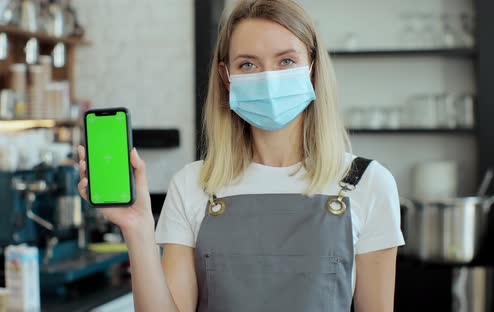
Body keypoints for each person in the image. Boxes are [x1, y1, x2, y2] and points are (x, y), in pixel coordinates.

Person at [77, 0, 404, 310]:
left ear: (313, 68)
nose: (268, 78)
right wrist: (137, 229)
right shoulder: (193, 185)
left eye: (286, 61)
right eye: (248, 64)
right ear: (226, 76)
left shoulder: (367, 183)